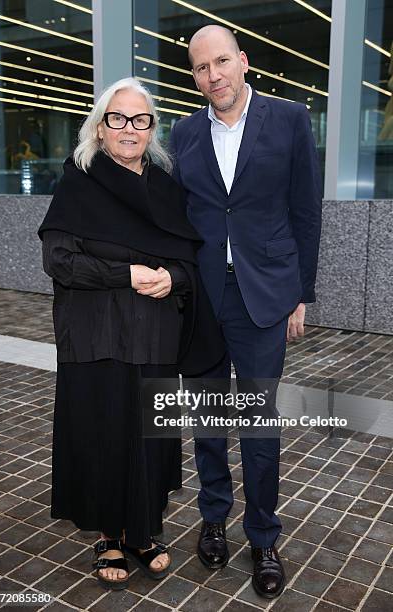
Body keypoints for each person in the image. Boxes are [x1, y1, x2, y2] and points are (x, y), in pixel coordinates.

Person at [38, 77, 224, 591]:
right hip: (96, 335)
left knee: (149, 435)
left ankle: (142, 533)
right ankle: (109, 537)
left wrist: (173, 277)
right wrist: (128, 275)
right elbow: (58, 260)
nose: (128, 129)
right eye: (117, 118)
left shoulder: (165, 188)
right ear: (100, 127)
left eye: (140, 120)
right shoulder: (79, 181)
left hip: (155, 337)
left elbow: (189, 261)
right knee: (103, 433)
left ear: (151, 130)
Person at [170, 25, 322, 599]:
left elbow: (305, 212)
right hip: (204, 301)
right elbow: (174, 217)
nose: (214, 76)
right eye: (202, 68)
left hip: (266, 295)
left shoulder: (288, 119)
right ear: (195, 76)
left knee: (259, 426)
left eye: (222, 62)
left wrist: (300, 294)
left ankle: (263, 535)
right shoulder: (183, 133)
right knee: (208, 418)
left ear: (244, 62)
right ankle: (213, 518)